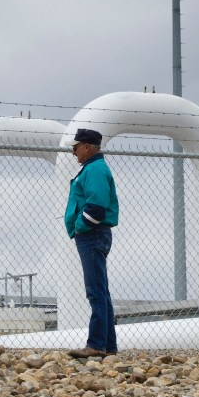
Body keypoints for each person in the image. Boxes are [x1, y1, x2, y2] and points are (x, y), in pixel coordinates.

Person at [64, 128, 119, 358]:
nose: (73, 152)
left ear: (87, 146)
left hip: (92, 234)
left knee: (95, 291)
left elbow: (96, 205)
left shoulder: (94, 169)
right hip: (94, 233)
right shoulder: (94, 168)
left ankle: (96, 344)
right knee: (100, 291)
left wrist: (80, 226)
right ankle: (108, 345)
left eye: (76, 147)